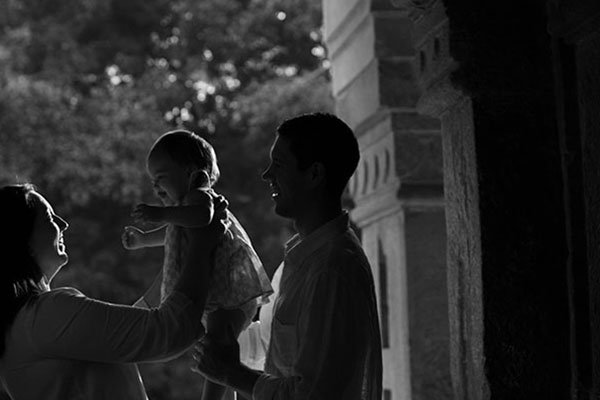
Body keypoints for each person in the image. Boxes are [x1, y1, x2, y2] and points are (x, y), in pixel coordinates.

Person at [192, 113, 383, 400]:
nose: (267, 175)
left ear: (314, 174)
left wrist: (231, 374)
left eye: (279, 165)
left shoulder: (332, 269)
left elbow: (314, 394)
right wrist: (206, 330)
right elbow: (271, 346)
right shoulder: (302, 259)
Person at [0, 183, 224, 400]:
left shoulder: (25, 324)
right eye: (49, 218)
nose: (64, 223)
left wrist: (178, 254)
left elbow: (123, 329)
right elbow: (167, 331)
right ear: (22, 237)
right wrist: (201, 245)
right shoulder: (46, 315)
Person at [122, 130, 273, 400]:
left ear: (190, 171)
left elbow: (201, 217)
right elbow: (172, 233)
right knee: (217, 347)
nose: (156, 188)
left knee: (217, 346)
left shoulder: (200, 196)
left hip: (231, 294)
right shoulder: (184, 208)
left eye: (161, 178)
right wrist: (143, 240)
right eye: (153, 181)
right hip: (223, 296)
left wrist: (159, 213)